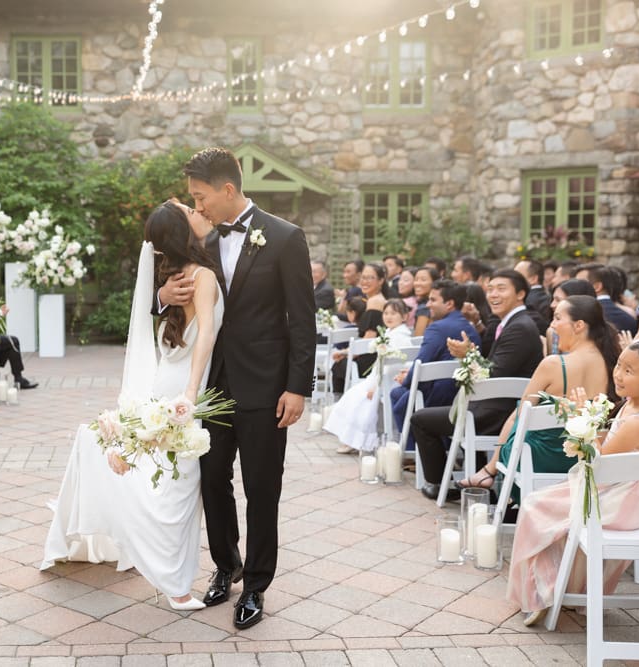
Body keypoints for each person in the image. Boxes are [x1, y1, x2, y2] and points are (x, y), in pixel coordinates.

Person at [158, 147, 314, 628]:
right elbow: (159, 281)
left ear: (228, 190)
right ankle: (227, 566)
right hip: (209, 384)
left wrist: (297, 387)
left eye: (201, 197)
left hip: (267, 385)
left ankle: (258, 585)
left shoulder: (286, 238)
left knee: (262, 487)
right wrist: (162, 296)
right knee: (210, 480)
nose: (197, 207)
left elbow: (302, 320)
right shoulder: (198, 239)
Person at [42, 199, 220, 610]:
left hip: (168, 379)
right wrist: (191, 393)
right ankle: (175, 585)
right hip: (183, 386)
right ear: (183, 230)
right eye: (187, 209)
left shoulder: (178, 276)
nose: (197, 210)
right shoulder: (201, 276)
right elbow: (206, 335)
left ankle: (170, 575)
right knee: (178, 487)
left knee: (169, 479)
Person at [508, 337, 639, 627]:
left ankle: (543, 591)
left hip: (623, 502)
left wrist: (583, 418)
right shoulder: (635, 405)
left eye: (629, 371)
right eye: (619, 365)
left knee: (534, 506)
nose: (618, 374)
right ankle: (563, 588)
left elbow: (597, 461)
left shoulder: (638, 422)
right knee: (547, 504)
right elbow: (610, 447)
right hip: (623, 492)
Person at [459, 296, 620, 499]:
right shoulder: (613, 363)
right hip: (585, 460)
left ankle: (490, 478)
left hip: (538, 459)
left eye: (557, 318)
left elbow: (518, 417)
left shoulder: (553, 364)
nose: (552, 325)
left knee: (522, 416)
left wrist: (491, 467)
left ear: (578, 325)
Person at [412, 269, 544, 500]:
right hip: (498, 406)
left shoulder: (520, 327)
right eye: (490, 288)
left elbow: (494, 374)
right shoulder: (512, 322)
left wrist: (469, 355)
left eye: (501, 289)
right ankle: (477, 480)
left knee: (421, 419)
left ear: (521, 293)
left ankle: (439, 483)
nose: (493, 294)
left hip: (500, 411)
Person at [389, 281, 479, 449]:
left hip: (438, 393)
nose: (428, 304)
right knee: (399, 394)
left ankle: (415, 454)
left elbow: (421, 362)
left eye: (433, 300)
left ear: (449, 304)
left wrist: (407, 379)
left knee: (400, 399)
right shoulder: (470, 327)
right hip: (461, 391)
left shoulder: (437, 328)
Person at [325, 298, 412, 454]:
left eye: (394, 313)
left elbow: (395, 365)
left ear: (404, 317)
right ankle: (350, 438)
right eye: (386, 313)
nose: (389, 317)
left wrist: (376, 386)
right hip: (380, 377)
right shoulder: (390, 332)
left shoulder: (400, 336)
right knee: (353, 395)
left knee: (358, 397)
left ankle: (356, 439)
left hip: (388, 381)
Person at [515, 259, 552, 333]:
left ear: (533, 279)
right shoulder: (547, 298)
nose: (511, 279)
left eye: (517, 275)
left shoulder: (525, 299)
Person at [411, 266, 438, 337]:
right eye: (416, 279)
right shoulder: (436, 304)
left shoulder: (425, 307)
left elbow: (418, 337)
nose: (417, 283)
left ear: (434, 282)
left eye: (423, 280)